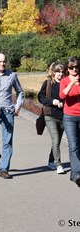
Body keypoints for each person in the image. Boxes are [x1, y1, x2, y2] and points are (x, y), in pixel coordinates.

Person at [38, 62, 65, 174]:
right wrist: (52, 102)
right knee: (55, 139)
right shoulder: (48, 83)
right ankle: (58, 164)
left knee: (57, 141)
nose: (60, 74)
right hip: (50, 116)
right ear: (53, 72)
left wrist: (63, 103)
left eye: (62, 72)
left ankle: (51, 161)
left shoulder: (65, 83)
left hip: (63, 116)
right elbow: (41, 97)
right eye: (58, 72)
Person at [59, 56, 80, 187]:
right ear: (68, 69)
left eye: (76, 67)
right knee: (73, 146)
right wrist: (72, 83)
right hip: (70, 117)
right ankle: (77, 174)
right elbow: (62, 95)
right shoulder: (65, 81)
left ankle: (74, 174)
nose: (74, 69)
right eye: (71, 67)